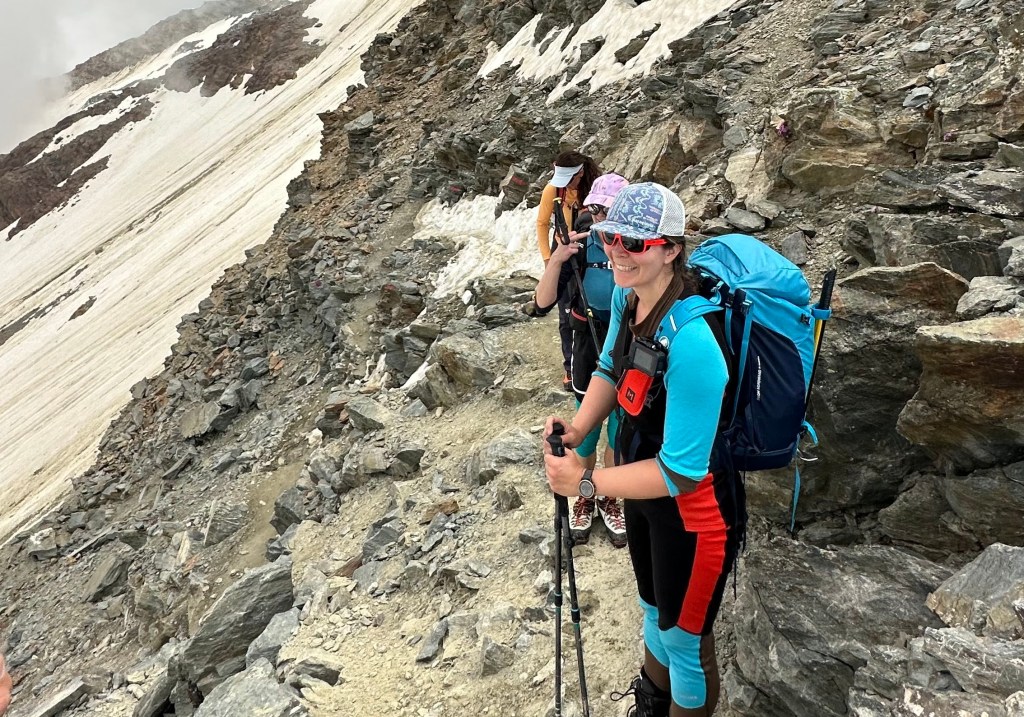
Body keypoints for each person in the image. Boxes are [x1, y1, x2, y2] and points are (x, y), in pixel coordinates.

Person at [542, 182, 745, 717]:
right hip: (645, 498)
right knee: (653, 611)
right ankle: (652, 705)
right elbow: (610, 369)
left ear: (671, 249)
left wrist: (586, 483)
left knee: (685, 642)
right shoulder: (629, 298)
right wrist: (578, 431)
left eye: (635, 243)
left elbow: (680, 473)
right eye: (610, 237)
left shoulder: (695, 343)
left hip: (696, 517)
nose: (617, 251)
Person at [531, 173, 630, 548]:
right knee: (586, 431)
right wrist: (558, 257)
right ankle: (587, 494)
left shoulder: (634, 248)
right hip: (588, 344)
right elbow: (542, 302)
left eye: (610, 210)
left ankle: (609, 496)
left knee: (620, 430)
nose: (602, 218)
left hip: (629, 346)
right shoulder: (580, 245)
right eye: (597, 210)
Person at [533, 151, 601, 390]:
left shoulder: (595, 188)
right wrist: (548, 259)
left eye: (570, 178)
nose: (566, 183)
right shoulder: (553, 189)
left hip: (588, 249)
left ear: (580, 173)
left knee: (587, 305)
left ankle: (597, 360)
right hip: (562, 248)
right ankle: (570, 368)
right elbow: (542, 223)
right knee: (564, 311)